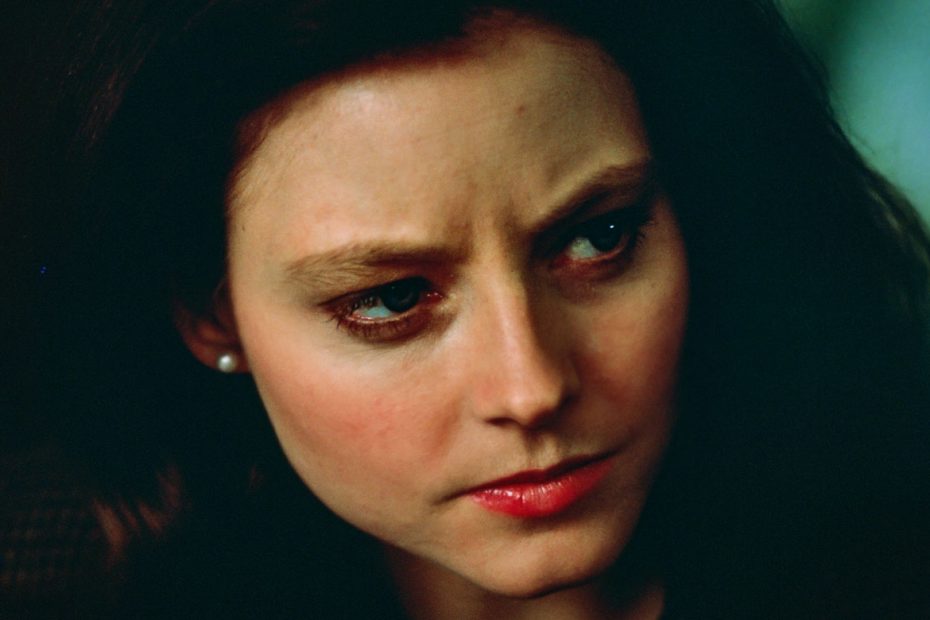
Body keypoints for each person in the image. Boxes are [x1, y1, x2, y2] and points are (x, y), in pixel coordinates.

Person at [2, 0, 928, 617]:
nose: (531, 388)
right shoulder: (57, 572)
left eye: (599, 238)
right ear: (214, 317)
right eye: (392, 298)